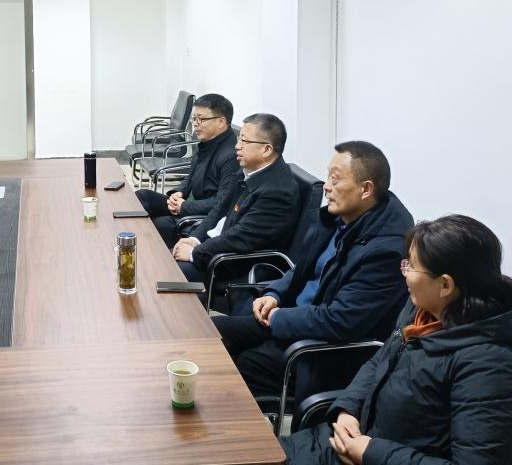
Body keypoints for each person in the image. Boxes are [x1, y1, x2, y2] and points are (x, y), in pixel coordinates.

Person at [281, 214, 512, 465]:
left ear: (445, 285)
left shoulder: (494, 366)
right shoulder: (423, 310)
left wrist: (370, 452)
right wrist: (347, 409)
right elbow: (380, 361)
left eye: (411, 266)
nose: (404, 272)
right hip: (351, 441)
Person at [214, 141, 414, 396]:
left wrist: (278, 318)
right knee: (214, 334)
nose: (326, 186)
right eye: (328, 176)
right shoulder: (341, 218)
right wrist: (275, 293)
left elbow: (340, 321)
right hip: (296, 317)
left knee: (242, 365)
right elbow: (302, 269)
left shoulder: (386, 251)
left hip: (323, 349)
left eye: (335, 179)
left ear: (365, 189)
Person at [171, 113, 299, 283]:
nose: (237, 147)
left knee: (167, 272)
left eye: (244, 141)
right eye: (239, 139)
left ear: (266, 150)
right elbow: (219, 208)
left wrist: (195, 253)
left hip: (231, 266)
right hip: (215, 248)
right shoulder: (249, 170)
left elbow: (240, 237)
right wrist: (195, 239)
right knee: (163, 256)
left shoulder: (278, 192)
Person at [135, 93, 240, 247]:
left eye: (201, 119)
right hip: (188, 203)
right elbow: (190, 175)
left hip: (204, 214)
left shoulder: (231, 155)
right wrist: (178, 193)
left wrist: (184, 207)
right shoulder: (207, 142)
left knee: (159, 224)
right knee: (143, 196)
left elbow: (222, 202)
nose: (196, 124)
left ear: (221, 122)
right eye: (194, 119)